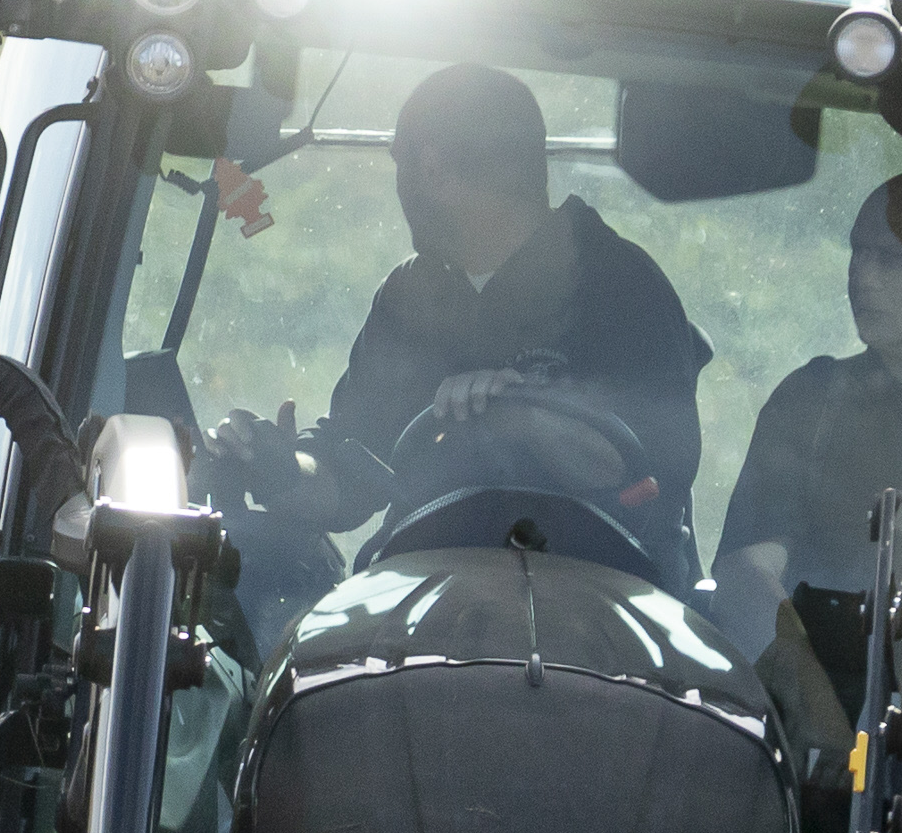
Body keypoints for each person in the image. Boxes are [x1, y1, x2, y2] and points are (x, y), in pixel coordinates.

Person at [211, 66, 712, 566]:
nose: (399, 188)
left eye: (399, 165)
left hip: (595, 599)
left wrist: (524, 412)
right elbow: (353, 478)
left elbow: (658, 479)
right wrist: (280, 467)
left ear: (432, 172)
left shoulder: (623, 286)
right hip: (422, 598)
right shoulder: (407, 296)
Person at [709, 173, 902, 666]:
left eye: (892, 258)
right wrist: (817, 712)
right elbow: (745, 579)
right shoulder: (811, 403)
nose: (861, 275)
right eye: (857, 252)